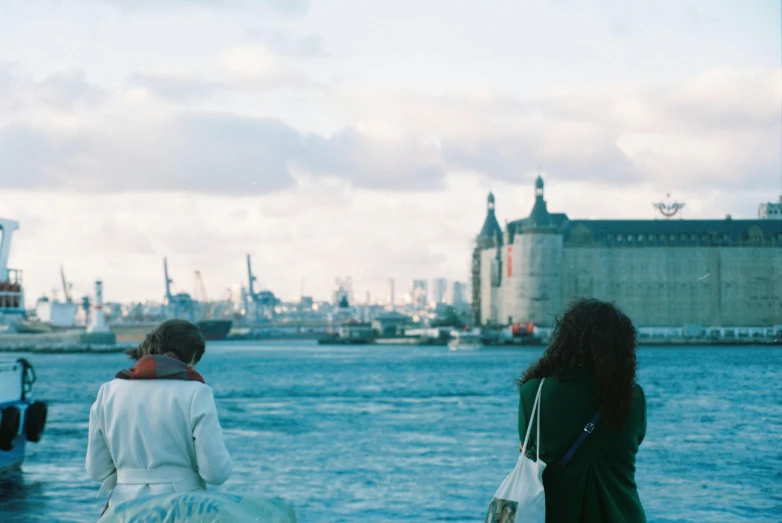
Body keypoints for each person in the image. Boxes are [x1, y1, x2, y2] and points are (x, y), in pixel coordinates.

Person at [517, 298, 647, 523]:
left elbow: (528, 451)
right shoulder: (633, 396)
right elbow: (632, 440)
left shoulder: (535, 391)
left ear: (564, 341)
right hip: (622, 515)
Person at [86, 319, 232, 515]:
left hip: (123, 510)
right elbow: (215, 473)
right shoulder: (197, 392)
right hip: (182, 509)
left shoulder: (108, 392)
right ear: (192, 356)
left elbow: (97, 470)